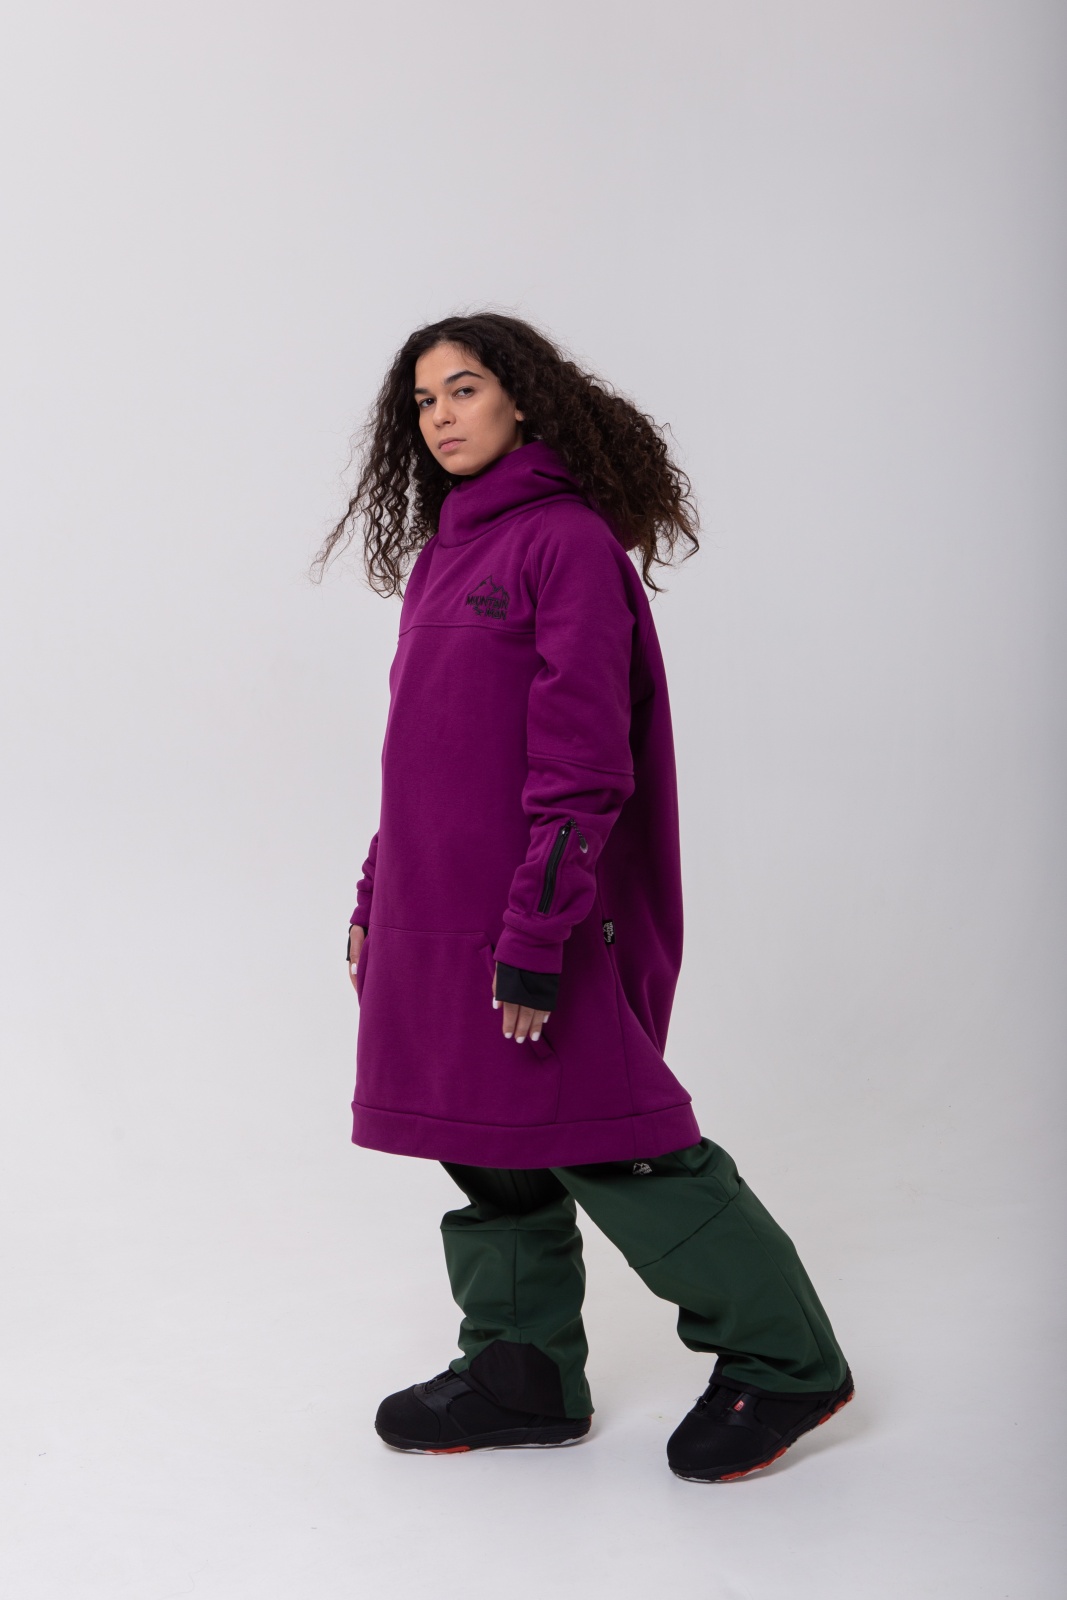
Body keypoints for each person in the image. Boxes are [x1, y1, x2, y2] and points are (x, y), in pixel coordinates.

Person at [313, 312, 853, 1482]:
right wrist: (375, 892)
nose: (440, 415)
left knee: (617, 1141)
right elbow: (422, 756)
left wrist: (535, 933)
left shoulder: (565, 543)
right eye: (422, 400)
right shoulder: (443, 555)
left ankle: (784, 1360)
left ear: (523, 400)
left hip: (538, 913)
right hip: (435, 912)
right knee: (486, 1144)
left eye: (464, 388)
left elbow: (582, 764)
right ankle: (521, 1373)